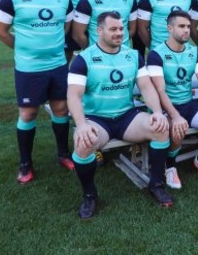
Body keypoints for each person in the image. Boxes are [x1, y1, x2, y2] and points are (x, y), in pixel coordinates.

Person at [67, 12, 172, 219]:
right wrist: (81, 125)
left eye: (121, 29)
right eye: (113, 29)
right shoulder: (83, 60)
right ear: (99, 31)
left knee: (161, 128)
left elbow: (146, 88)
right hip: (97, 119)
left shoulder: (133, 55)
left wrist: (158, 113)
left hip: (127, 117)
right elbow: (73, 95)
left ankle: (156, 184)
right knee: (84, 143)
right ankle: (90, 195)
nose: (119, 33)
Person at [0, 0, 74, 184]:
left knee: (61, 109)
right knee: (28, 113)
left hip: (58, 65)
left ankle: (63, 154)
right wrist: (22, 51)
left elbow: (65, 27)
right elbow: (0, 31)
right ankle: (26, 163)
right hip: (29, 69)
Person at [147, 11, 198, 188]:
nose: (187, 30)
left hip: (189, 104)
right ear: (170, 28)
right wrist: (175, 116)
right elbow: (160, 91)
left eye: (188, 26)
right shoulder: (156, 54)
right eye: (181, 26)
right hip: (166, 107)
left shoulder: (194, 51)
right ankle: (170, 167)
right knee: (179, 129)